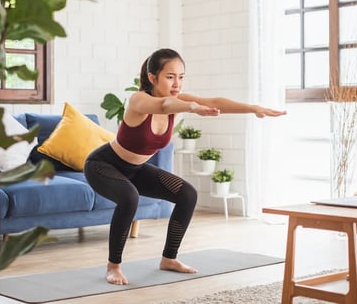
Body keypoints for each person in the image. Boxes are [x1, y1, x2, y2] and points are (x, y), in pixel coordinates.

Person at [84, 48, 286, 285]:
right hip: (103, 165)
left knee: (187, 194)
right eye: (170, 77)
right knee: (129, 197)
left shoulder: (178, 100)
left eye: (181, 77)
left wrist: (253, 108)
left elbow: (214, 101)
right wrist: (191, 107)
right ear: (152, 77)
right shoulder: (138, 100)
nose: (177, 83)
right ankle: (113, 266)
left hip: (136, 170)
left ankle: (169, 258)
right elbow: (164, 105)